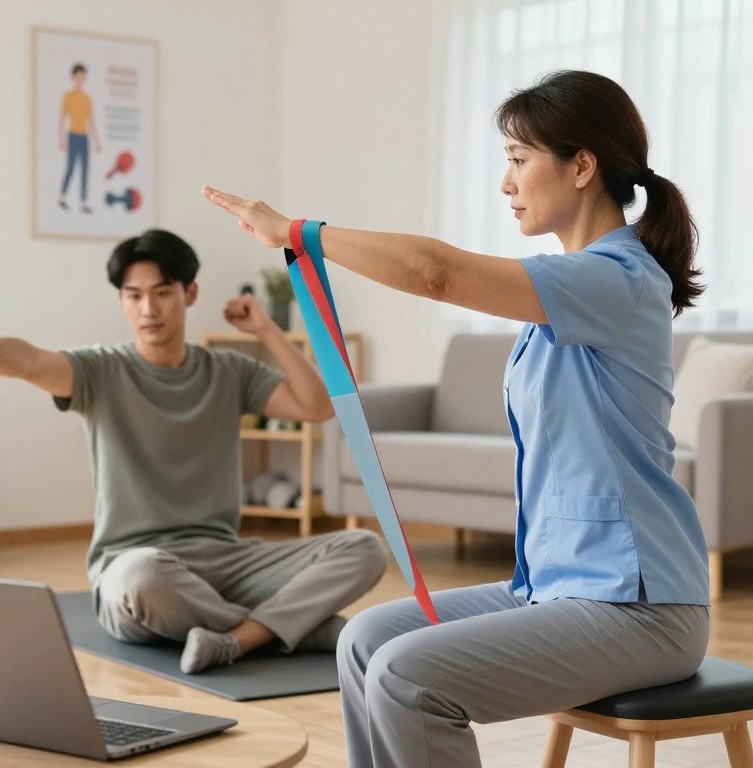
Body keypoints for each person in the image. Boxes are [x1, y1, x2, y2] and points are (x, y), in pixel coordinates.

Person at [203, 69, 710, 767]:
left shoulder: (617, 280)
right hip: (551, 588)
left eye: (518, 159)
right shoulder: (565, 290)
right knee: (364, 642)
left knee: (410, 676)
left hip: (641, 608)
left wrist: (297, 232)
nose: (506, 183)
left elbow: (433, 272)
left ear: (582, 166)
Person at [0, 229, 386, 675]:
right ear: (123, 302)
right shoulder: (100, 371)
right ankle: (291, 632)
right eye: (134, 296)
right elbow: (26, 360)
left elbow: (320, 407)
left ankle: (239, 639)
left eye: (162, 293)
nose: (148, 309)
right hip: (135, 568)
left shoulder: (229, 372)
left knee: (364, 548)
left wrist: (265, 332)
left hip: (225, 564)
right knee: (141, 575)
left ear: (189, 294)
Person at [58, 63, 102, 214]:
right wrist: (62, 140)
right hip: (73, 135)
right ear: (73, 77)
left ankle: (83, 202)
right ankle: (63, 196)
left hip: (84, 137)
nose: (81, 79)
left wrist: (96, 141)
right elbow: (62, 119)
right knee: (70, 168)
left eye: (83, 76)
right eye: (78, 76)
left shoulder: (87, 98)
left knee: (85, 170)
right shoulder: (68, 96)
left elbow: (91, 121)